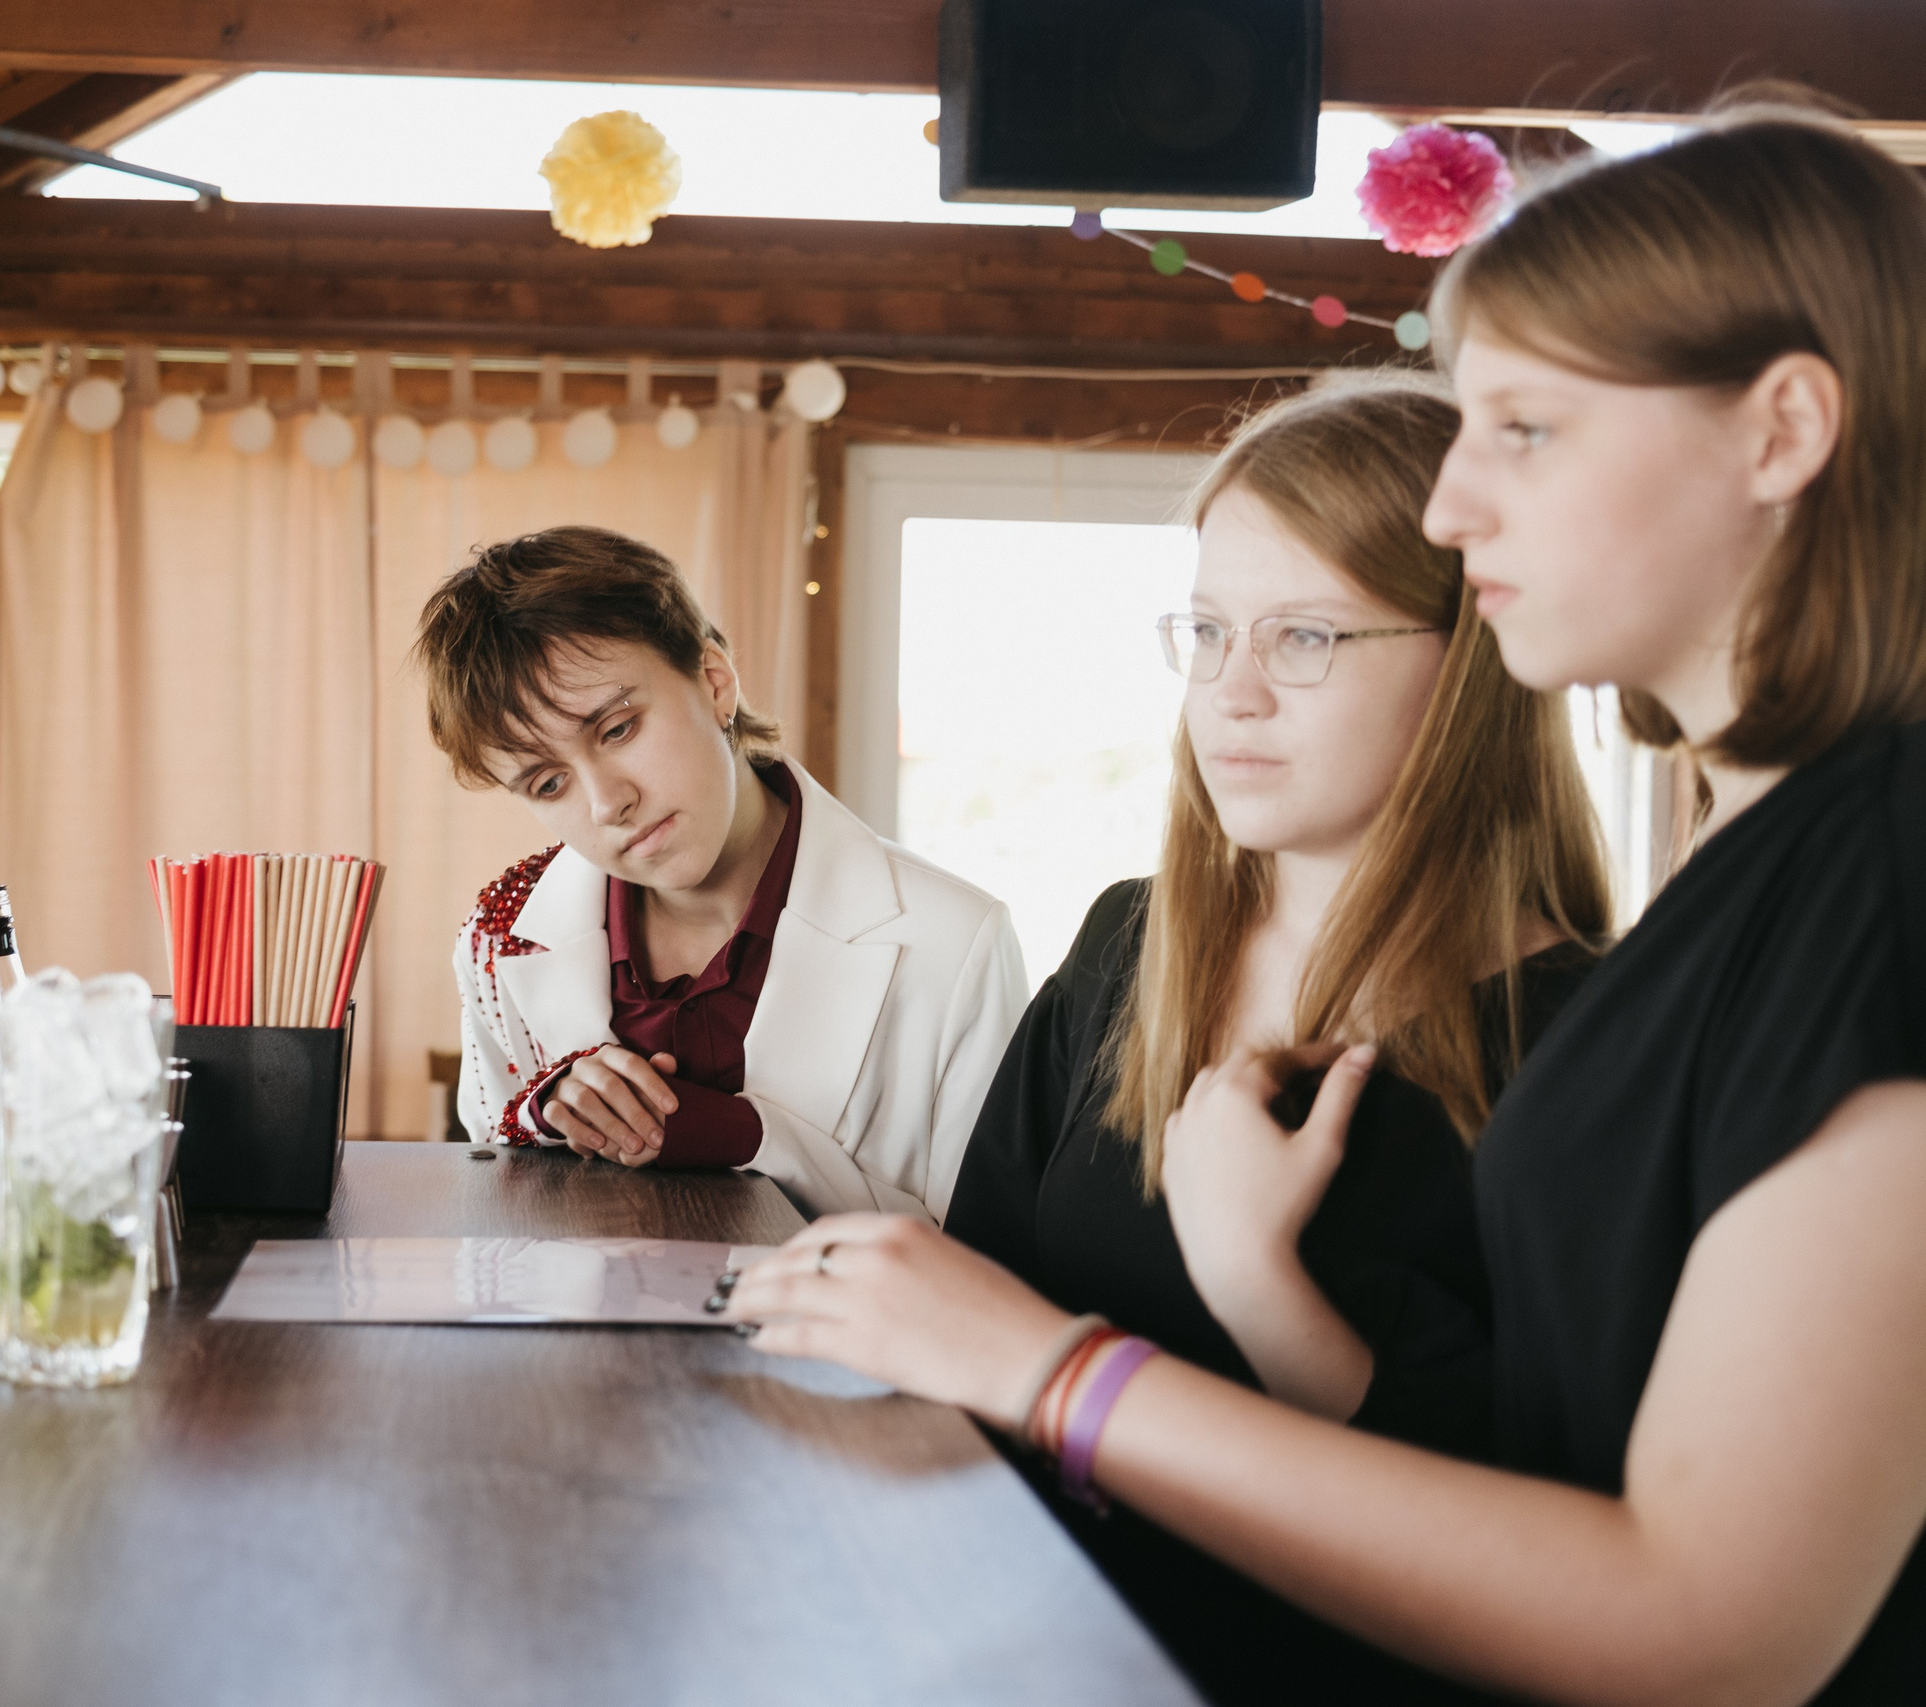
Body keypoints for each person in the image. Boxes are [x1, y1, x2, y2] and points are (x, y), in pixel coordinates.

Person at [725, 105, 1926, 1706]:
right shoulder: (1768, 870)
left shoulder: (1880, 876)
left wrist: (1058, 1368)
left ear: (1781, 433)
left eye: (1526, 428)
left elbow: (1708, 1631)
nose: (1454, 507)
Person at [936, 378, 1609, 1703]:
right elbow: (975, 1318)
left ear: (1474, 658)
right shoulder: (1123, 943)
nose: (1230, 693)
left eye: (1304, 636)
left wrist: (1259, 1280)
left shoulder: (1595, 1041)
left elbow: (1551, 1545)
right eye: (1206, 631)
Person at [417, 525, 1028, 1220]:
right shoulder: (498, 936)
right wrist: (545, 1114)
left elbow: (983, 1258)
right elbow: (499, 1209)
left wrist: (753, 1138)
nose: (607, 803)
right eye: (548, 784)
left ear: (714, 681)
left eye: (618, 729)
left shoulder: (957, 940)